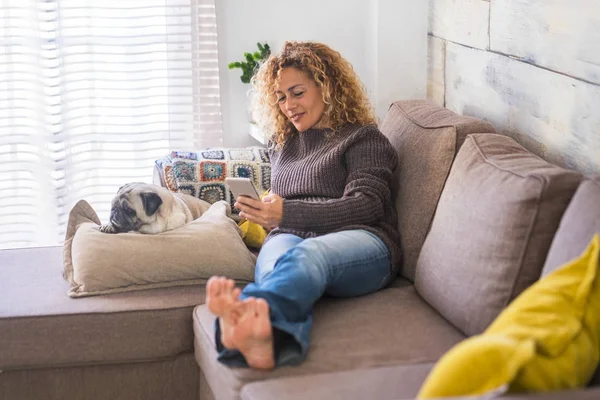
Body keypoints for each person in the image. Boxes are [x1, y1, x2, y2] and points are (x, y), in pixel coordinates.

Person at [206, 41, 401, 370]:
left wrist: (286, 212)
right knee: (273, 266)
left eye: (297, 93)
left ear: (327, 88)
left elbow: (367, 205)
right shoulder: (282, 144)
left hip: (363, 240)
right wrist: (264, 214)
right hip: (291, 233)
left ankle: (247, 314)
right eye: (281, 97)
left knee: (307, 255)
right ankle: (265, 341)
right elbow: (285, 210)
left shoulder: (363, 139)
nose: (288, 105)